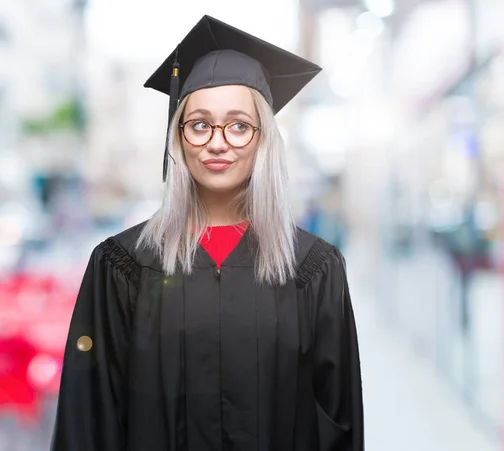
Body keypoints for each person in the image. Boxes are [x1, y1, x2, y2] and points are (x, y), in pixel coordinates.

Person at [51, 15, 364, 451]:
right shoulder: (122, 266)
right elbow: (88, 419)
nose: (218, 142)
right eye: (199, 124)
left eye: (239, 125)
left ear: (263, 140)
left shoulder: (313, 269)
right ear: (178, 138)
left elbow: (339, 422)